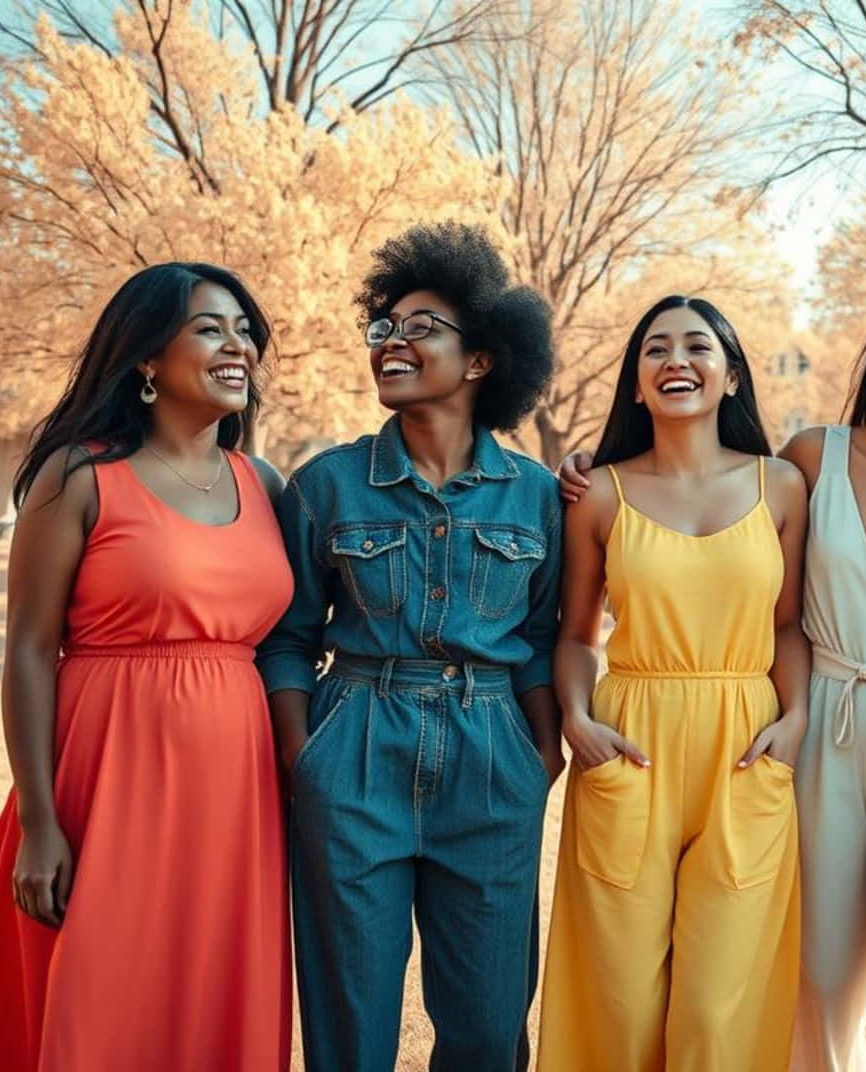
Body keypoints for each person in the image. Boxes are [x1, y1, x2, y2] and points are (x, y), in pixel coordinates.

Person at [0, 262, 293, 1070]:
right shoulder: (80, 474)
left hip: (236, 789)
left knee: (207, 979)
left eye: (245, 330)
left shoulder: (265, 484)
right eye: (210, 328)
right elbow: (27, 649)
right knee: (99, 984)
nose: (239, 346)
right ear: (147, 358)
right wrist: (39, 823)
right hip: (107, 769)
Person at [255, 222, 562, 1072]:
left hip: (494, 757)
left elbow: (540, 639)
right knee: (350, 1016)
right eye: (383, 327)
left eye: (421, 325)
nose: (392, 340)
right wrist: (301, 753)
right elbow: (286, 639)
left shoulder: (535, 496)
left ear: (482, 360)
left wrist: (541, 756)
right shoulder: (327, 482)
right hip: (354, 745)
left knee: (489, 1022)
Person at [537, 295, 809, 1071]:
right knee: (618, 994)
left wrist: (793, 723)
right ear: (635, 383)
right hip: (629, 741)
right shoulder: (597, 493)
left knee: (717, 1003)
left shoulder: (781, 485)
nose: (676, 361)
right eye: (656, 350)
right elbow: (577, 635)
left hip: (746, 746)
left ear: (730, 376)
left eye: (697, 347)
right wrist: (578, 720)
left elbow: (789, 627)